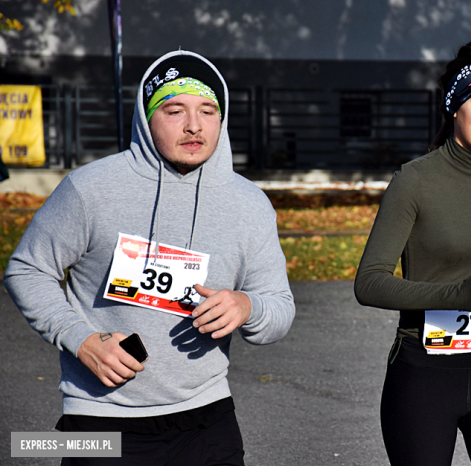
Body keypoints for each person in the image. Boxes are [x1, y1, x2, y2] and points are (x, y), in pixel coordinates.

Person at [4, 50, 295, 465]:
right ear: (145, 115)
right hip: (98, 418)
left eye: (208, 110)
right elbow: (27, 270)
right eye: (175, 109)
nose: (194, 125)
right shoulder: (90, 189)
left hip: (207, 419)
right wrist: (80, 339)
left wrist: (248, 306)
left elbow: (279, 308)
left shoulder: (249, 204)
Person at [354, 42, 471, 466]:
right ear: (456, 107)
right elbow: (369, 282)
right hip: (424, 373)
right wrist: (459, 294)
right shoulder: (415, 181)